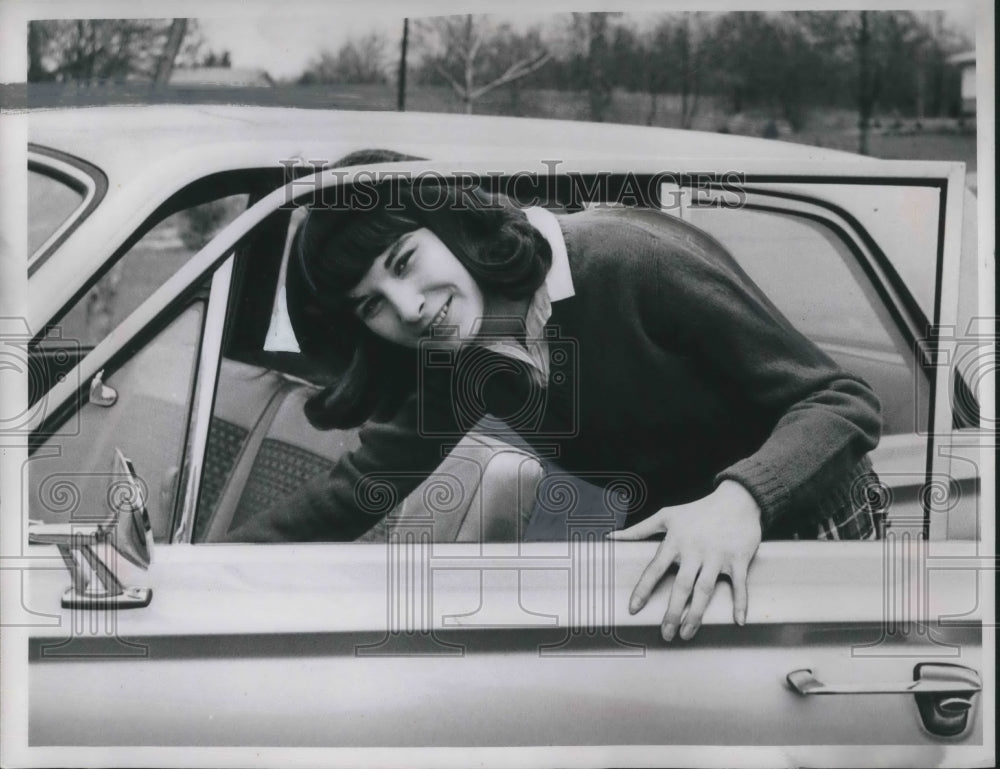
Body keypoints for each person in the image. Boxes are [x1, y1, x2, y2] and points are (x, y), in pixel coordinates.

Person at [228, 152, 883, 642]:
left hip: (802, 516)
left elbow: (838, 399)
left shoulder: (628, 259)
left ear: (450, 221)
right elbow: (354, 489)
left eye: (404, 261)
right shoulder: (457, 353)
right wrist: (194, 574)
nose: (409, 308)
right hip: (671, 550)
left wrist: (741, 499)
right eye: (371, 303)